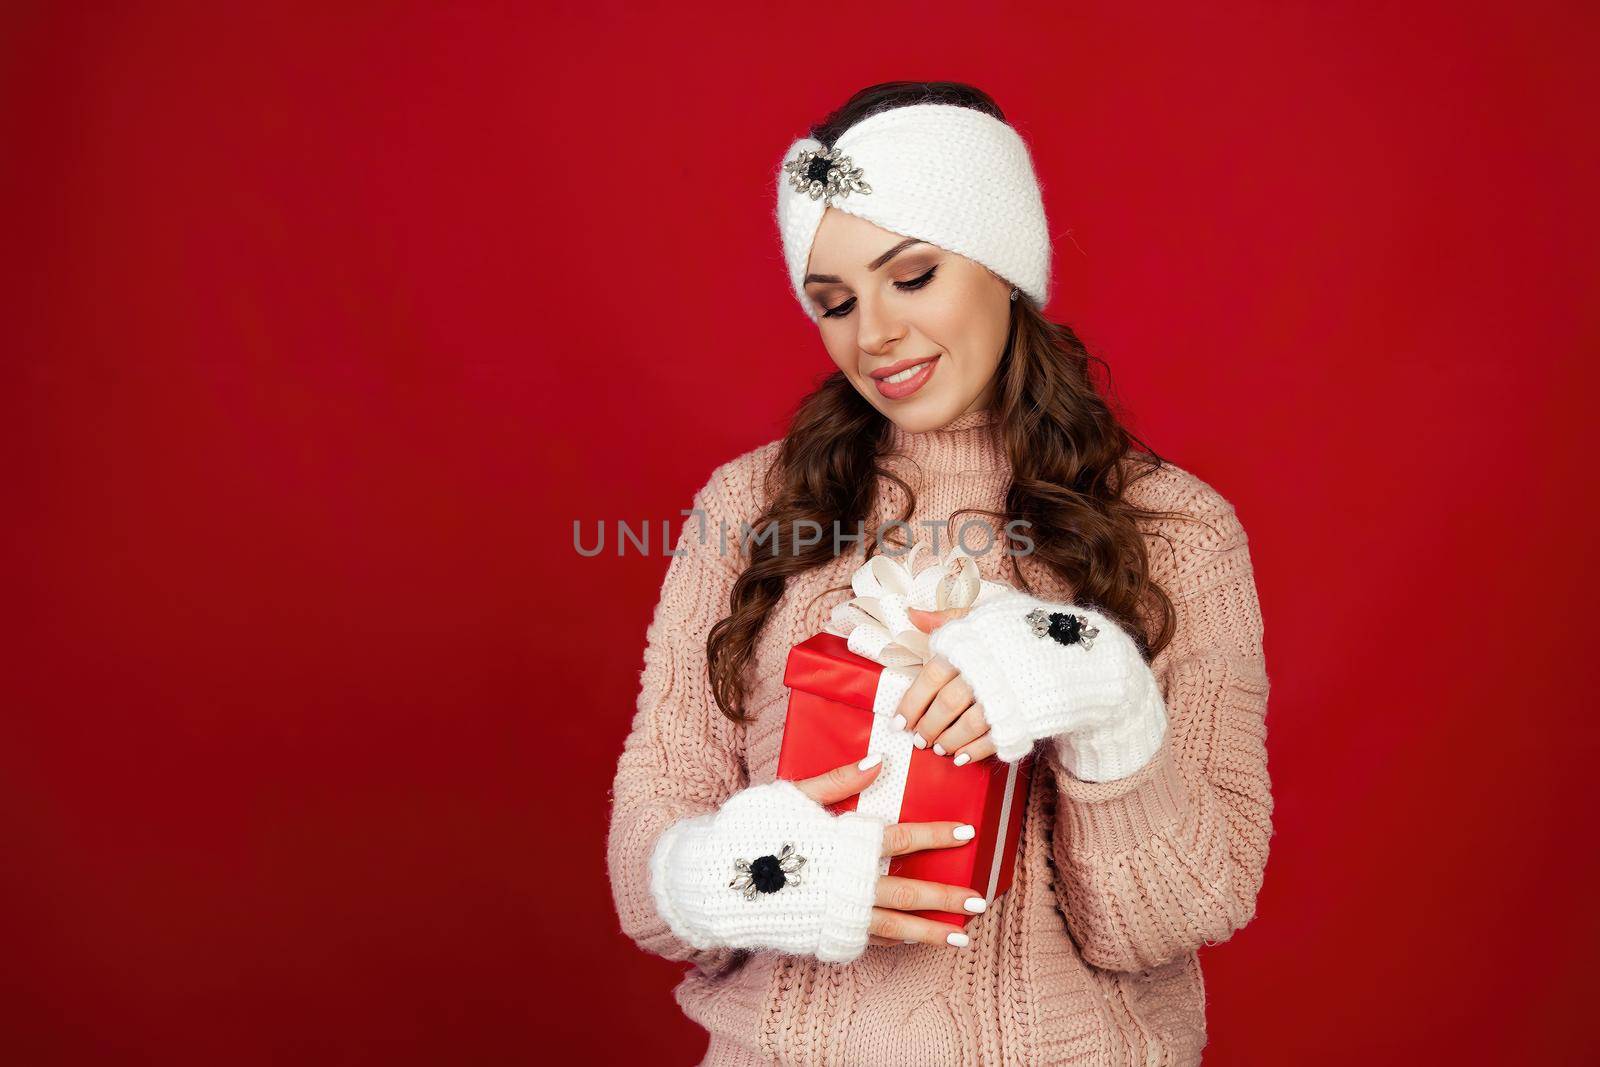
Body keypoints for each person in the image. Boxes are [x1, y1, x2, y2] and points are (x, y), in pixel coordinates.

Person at [606, 81, 1271, 1066]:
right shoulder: (746, 509)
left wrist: (1109, 705)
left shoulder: (1175, 530)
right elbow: (642, 875)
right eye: (832, 301)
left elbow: (1170, 916)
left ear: (1003, 267)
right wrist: (761, 873)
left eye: (910, 275)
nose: (869, 333)